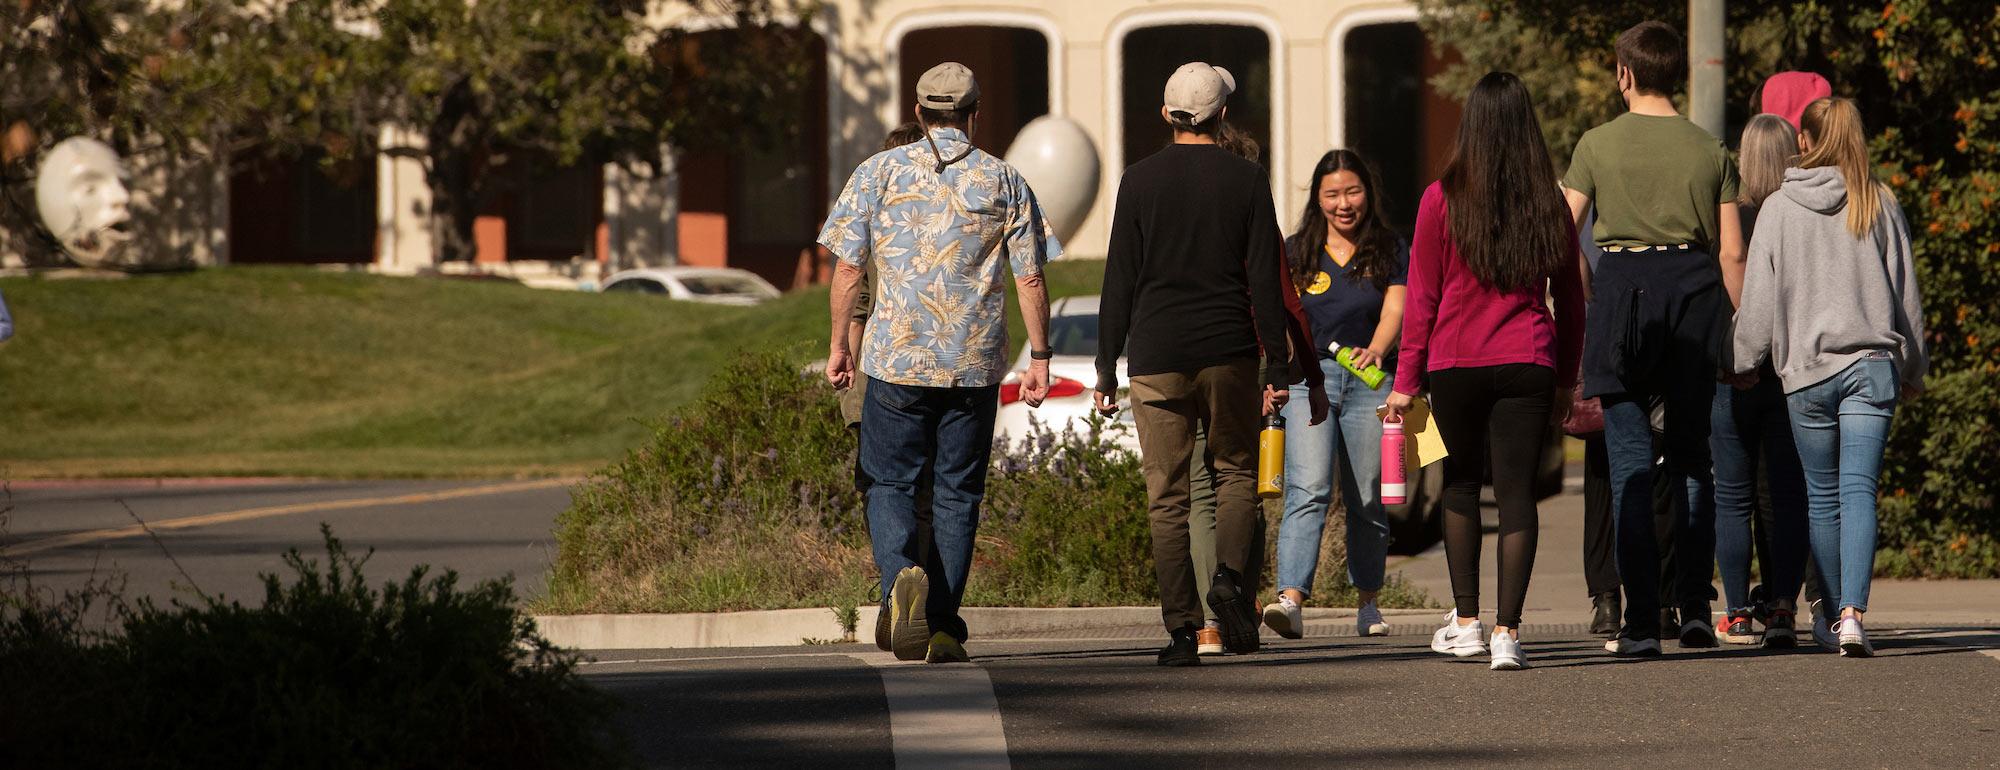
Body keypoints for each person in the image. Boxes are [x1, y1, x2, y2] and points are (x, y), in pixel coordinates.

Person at [820, 63, 1061, 664]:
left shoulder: (877, 172)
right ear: (975, 112)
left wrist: (839, 346)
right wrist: (1040, 357)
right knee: (957, 492)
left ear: (919, 109)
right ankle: (945, 625)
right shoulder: (1005, 180)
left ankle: (901, 575)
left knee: (889, 481)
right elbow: (1030, 276)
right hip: (972, 366)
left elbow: (848, 268)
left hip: (896, 360)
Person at [1094, 61, 1293, 667]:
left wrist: (1106, 365)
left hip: (1156, 355)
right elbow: (1264, 278)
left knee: (1168, 498)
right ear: (1223, 115)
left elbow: (1119, 278)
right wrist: (1277, 368)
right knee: (1234, 473)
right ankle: (1230, 580)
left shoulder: (1138, 180)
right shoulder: (1247, 179)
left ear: (1166, 115)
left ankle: (1183, 631)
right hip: (1228, 350)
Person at [1387, 71, 1584, 671]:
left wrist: (1405, 384)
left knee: (1461, 486)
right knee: (1520, 495)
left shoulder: (1438, 198)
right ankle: (1508, 633)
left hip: (1455, 363)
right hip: (1527, 358)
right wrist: (1564, 380)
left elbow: (1420, 299)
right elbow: (1571, 298)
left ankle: (1467, 621)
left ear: (1471, 123)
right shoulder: (1548, 201)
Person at [1562, 20, 1743, 656]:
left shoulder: (1595, 144)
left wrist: (1586, 289)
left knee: (1631, 463)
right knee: (1694, 459)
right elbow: (1732, 252)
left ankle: (1640, 622)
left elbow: (1563, 233)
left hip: (1624, 290)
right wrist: (1738, 338)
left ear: (1624, 74)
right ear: (1679, 75)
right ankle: (1693, 606)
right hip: (1694, 292)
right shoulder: (1711, 149)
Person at [1732, 97, 1927, 657]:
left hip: (1807, 375)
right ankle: (1852, 616)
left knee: (1821, 497)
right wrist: (1914, 366)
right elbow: (1904, 293)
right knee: (1859, 491)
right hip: (1871, 366)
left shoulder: (1778, 208)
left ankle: (1827, 613)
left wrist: (1742, 360)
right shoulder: (1878, 201)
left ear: (1805, 142)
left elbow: (1759, 303)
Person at [1186, 127, 1329, 656]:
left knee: (1201, 490)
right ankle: (1240, 602)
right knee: (1244, 482)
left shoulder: (1174, 202)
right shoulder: (1250, 204)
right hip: (1244, 355)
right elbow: (1283, 298)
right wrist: (1302, 375)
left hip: (1178, 353)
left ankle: (1206, 625)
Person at [1262, 149, 1405, 641]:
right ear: (1317, 199)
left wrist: (1378, 350)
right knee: (1309, 487)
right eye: (1332, 194)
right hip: (1308, 380)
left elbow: (1394, 311)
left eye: (1353, 191)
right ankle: (1290, 599)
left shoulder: (1389, 248)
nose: (1344, 204)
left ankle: (1368, 601)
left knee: (1367, 496)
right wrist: (1275, 375)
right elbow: (1280, 318)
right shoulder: (1296, 249)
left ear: (1368, 193)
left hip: (1371, 383)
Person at [1711, 114, 1812, 648]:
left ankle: (1734, 612)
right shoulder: (1799, 217)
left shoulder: (1732, 219)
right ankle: (1780, 608)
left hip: (1734, 372)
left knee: (1732, 497)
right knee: (1786, 497)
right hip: (1787, 370)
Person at [840, 122, 935, 653]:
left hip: (880, 374)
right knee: (931, 495)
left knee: (884, 488)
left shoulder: (875, 221)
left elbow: (855, 306)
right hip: (944, 370)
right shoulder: (942, 221)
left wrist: (847, 373)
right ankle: (922, 601)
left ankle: (895, 589)